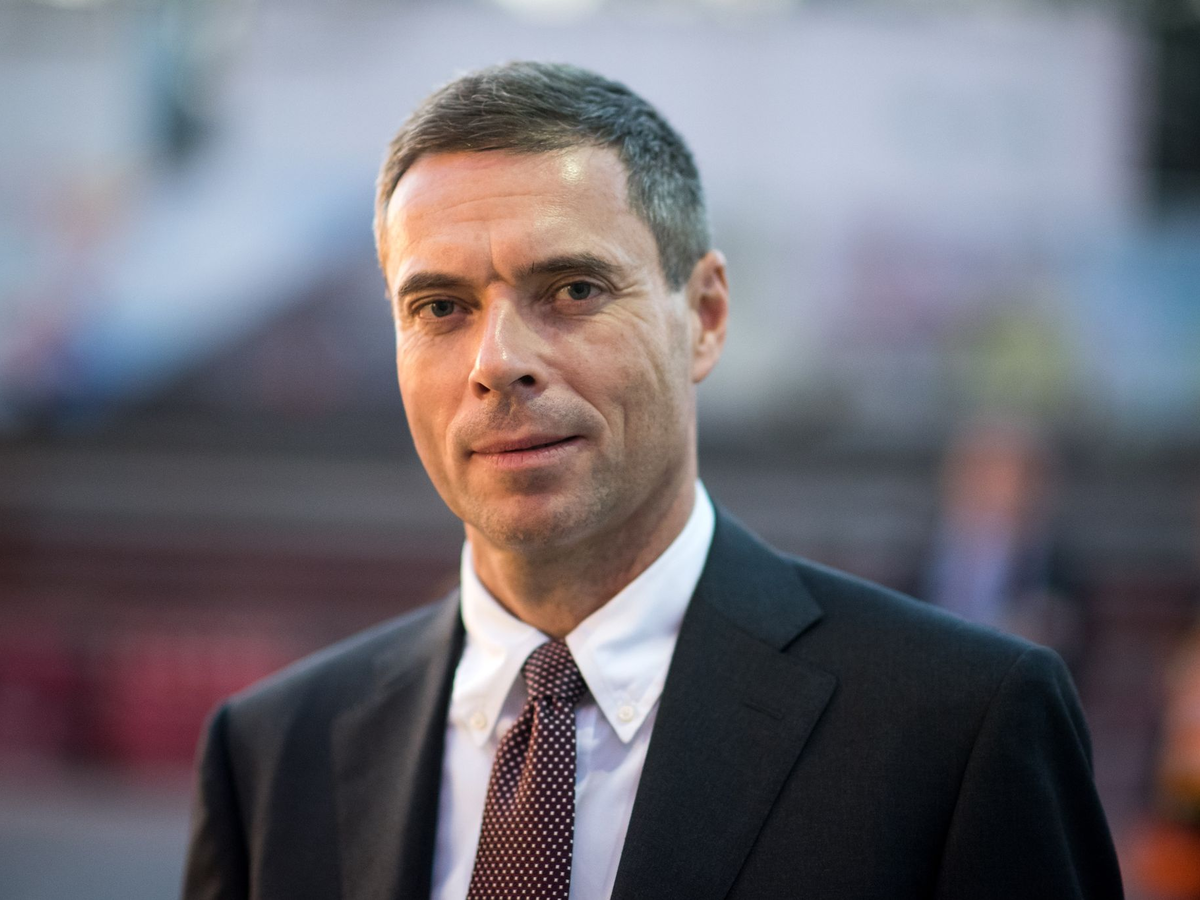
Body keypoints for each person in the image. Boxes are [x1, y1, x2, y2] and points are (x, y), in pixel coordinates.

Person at [182, 61, 1123, 899]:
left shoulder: (960, 726)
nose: (497, 361)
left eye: (573, 289)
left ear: (705, 316)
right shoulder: (270, 758)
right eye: (439, 306)